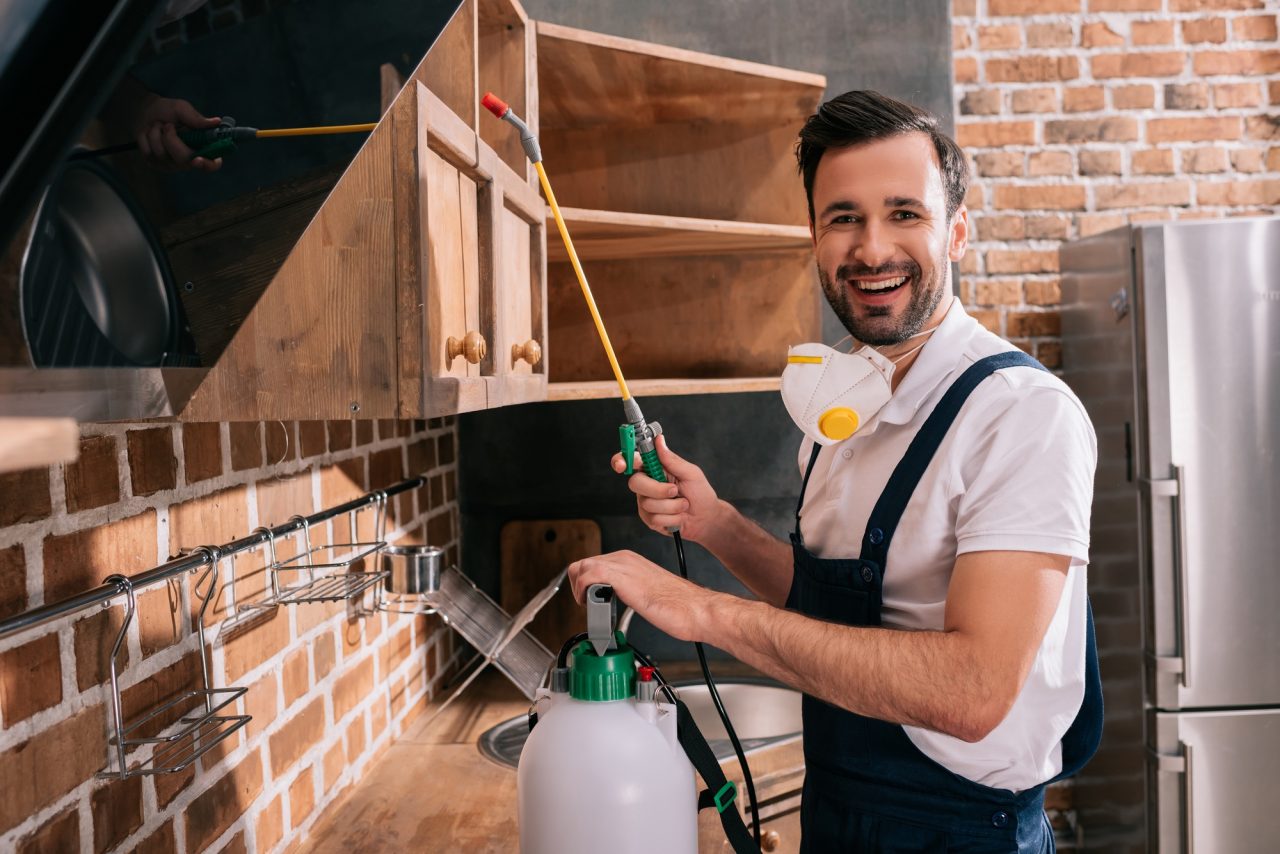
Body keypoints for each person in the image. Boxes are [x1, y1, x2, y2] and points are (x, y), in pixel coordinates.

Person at [566, 90, 1102, 853]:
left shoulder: (1020, 415)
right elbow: (842, 610)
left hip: (961, 836)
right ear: (815, 239)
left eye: (904, 213)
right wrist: (712, 524)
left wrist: (700, 610)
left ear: (955, 233)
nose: (872, 248)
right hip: (840, 816)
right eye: (843, 217)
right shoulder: (835, 409)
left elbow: (975, 690)